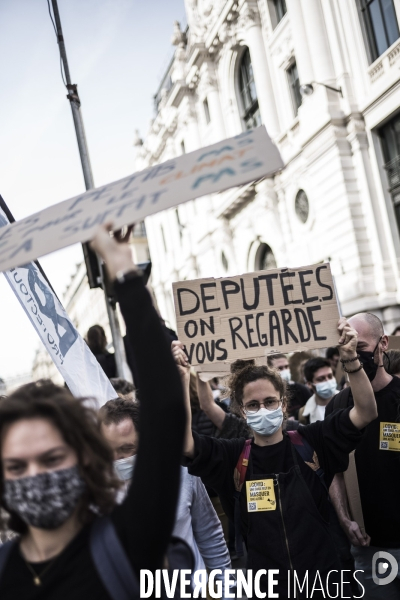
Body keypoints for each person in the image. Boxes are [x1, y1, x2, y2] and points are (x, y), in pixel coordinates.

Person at [0, 224, 187, 599]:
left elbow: (165, 412)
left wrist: (121, 267)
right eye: (16, 467)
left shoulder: (128, 540)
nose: (35, 477)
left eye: (52, 458)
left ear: (85, 459)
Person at [177, 318, 377, 598]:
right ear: (242, 411)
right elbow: (184, 443)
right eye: (253, 405)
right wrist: (182, 379)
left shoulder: (313, 441)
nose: (263, 409)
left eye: (270, 401)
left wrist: (351, 361)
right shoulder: (232, 456)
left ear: (283, 403)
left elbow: (365, 412)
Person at [100, 397, 235, 597]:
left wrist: (227, 590)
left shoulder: (181, 471)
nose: (115, 459)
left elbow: (209, 533)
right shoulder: (92, 489)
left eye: (126, 449)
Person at [327, 312, 400, 598]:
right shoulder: (338, 405)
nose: (353, 358)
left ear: (383, 344)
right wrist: (345, 519)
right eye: (346, 351)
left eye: (359, 349)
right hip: (370, 549)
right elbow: (335, 469)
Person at [267, 353, 312, 419]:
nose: (285, 370)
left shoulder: (301, 389)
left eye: (286, 367)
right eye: (280, 368)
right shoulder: (267, 394)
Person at [298, 357, 338, 424]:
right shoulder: (303, 414)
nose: (328, 381)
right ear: (309, 384)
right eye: (321, 379)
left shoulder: (349, 400)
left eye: (330, 376)